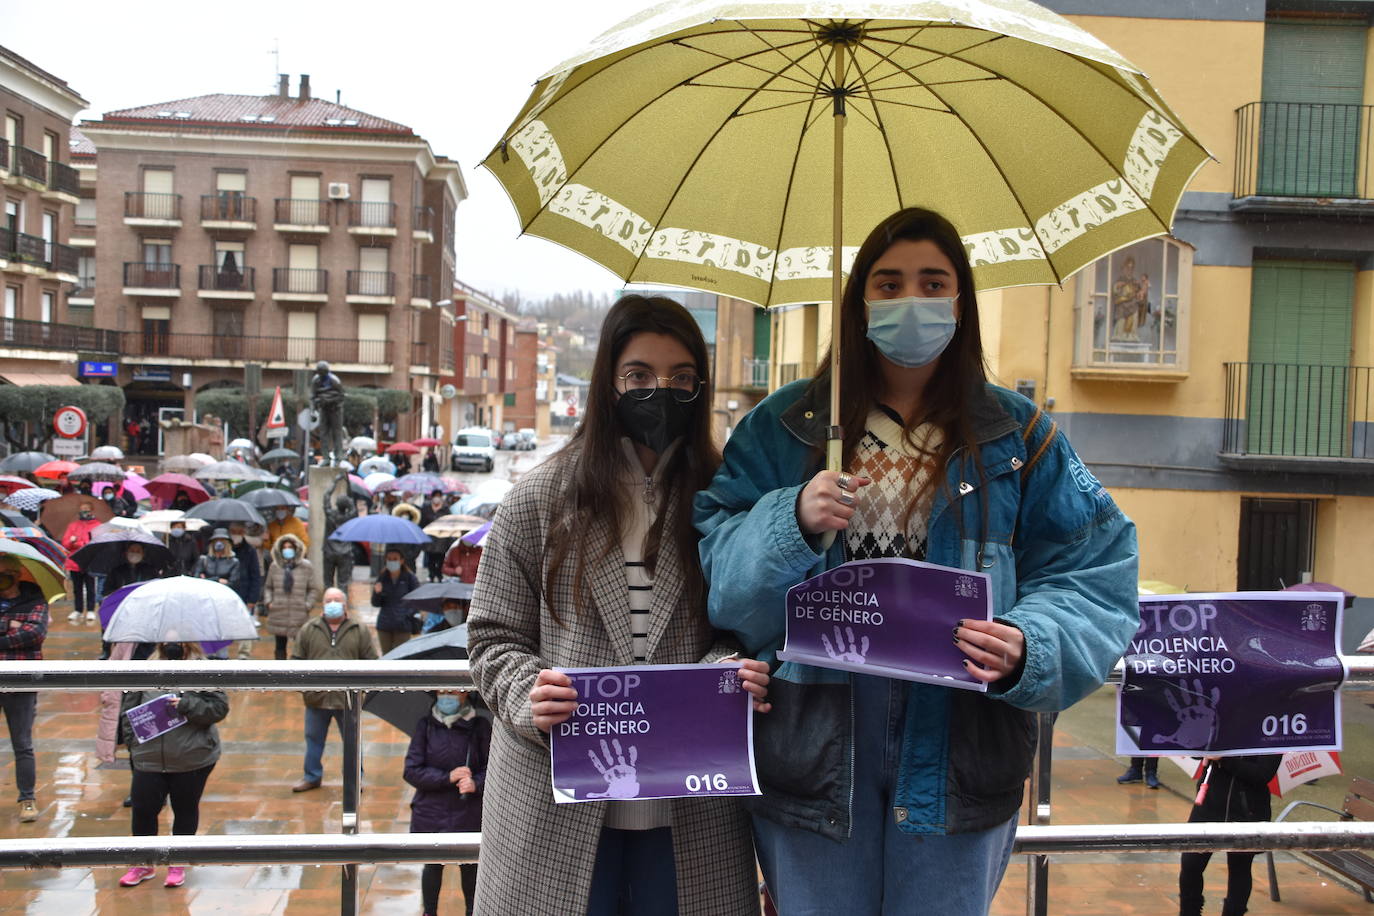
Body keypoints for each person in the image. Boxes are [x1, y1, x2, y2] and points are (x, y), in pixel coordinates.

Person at [693, 207, 1140, 916]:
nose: (912, 301)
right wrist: (791, 520)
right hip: (811, 739)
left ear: (961, 303)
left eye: (934, 283)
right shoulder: (783, 427)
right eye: (888, 282)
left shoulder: (1020, 437)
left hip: (961, 742)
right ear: (858, 301)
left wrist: (1031, 643)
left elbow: (1098, 573)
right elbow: (720, 578)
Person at [467, 295, 770, 916]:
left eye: (682, 378)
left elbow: (752, 623)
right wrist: (529, 693)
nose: (661, 392)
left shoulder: (728, 499)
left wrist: (726, 669)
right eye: (640, 375)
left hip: (692, 809)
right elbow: (491, 635)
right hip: (554, 805)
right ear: (609, 382)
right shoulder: (539, 499)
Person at [117, 642, 228, 888]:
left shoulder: (203, 669)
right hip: (149, 758)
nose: (172, 644)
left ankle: (178, 861)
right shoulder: (145, 669)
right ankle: (143, 862)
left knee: (185, 809)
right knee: (143, 810)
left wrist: (186, 705)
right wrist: (134, 746)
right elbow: (128, 711)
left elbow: (219, 708)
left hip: (191, 758)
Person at [404, 688, 491, 916]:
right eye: (442, 691)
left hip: (469, 811)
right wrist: (446, 777)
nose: (447, 695)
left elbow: (493, 768)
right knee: (432, 865)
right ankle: (429, 912)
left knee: (471, 867)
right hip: (431, 813)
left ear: (466, 694)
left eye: (453, 691)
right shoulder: (426, 725)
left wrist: (476, 783)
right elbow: (411, 771)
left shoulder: (480, 727)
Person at [290, 588, 379, 792]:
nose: (332, 603)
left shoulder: (359, 629)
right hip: (316, 698)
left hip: (347, 699)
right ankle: (311, 776)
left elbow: (371, 662)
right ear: (323, 604)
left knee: (352, 742)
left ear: (345, 604)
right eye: (329, 600)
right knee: (313, 739)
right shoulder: (309, 629)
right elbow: (296, 661)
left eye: (337, 600)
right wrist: (305, 689)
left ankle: (355, 778)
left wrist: (361, 689)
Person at [1178, 755, 1283, 916]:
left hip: (1247, 809)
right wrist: (1205, 749)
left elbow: (1262, 774)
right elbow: (1194, 751)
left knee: (1239, 867)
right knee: (1191, 863)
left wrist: (1223, 759)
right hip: (1209, 804)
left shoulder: (1267, 734)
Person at [0, 557, 47, 822]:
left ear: (17, 575)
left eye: (6, 573)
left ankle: (27, 799)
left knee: (22, 744)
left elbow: (34, 634)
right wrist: (11, 627)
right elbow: (21, 635)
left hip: (21, 682)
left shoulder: (35, 600)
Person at [262, 533, 317, 660]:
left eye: (290, 547)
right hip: (278, 613)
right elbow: (268, 587)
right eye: (285, 547)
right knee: (280, 647)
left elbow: (312, 589)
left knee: (300, 648)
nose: (287, 550)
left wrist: (308, 605)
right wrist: (269, 602)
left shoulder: (306, 566)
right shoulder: (275, 567)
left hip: (299, 613)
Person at [61, 500, 102, 623]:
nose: (84, 512)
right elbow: (65, 543)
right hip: (75, 562)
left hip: (90, 561)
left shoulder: (97, 525)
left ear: (92, 511)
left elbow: (97, 543)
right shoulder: (73, 525)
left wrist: (78, 543)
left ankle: (90, 609)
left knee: (90, 587)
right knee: (77, 588)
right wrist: (74, 542)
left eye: (87, 510)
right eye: (82, 509)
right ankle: (78, 609)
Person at [372, 549, 420, 654]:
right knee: (387, 656)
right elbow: (375, 603)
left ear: (401, 560)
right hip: (384, 625)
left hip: (403, 626)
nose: (392, 561)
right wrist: (377, 593)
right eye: (389, 559)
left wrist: (406, 615)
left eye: (395, 559)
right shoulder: (382, 577)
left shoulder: (410, 578)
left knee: (400, 657)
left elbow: (417, 600)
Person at [322, 489, 357, 590]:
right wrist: (350, 502)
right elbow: (354, 510)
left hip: (329, 552)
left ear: (336, 504)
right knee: (343, 583)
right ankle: (342, 602)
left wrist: (334, 484)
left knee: (328, 582)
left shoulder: (330, 515)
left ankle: (328, 601)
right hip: (345, 552)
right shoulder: (350, 518)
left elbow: (326, 496)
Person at [419, 491, 450, 583]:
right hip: (430, 537)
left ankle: (439, 575)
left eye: (438, 496)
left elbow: (449, 523)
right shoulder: (426, 509)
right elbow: (422, 523)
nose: (436, 498)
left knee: (440, 558)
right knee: (430, 558)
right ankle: (431, 575)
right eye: (435, 496)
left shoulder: (445, 510)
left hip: (442, 538)